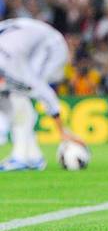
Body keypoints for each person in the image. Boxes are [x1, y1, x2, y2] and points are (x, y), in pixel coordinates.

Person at [0, 17, 85, 171]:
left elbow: (43, 91)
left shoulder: (10, 64)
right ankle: (33, 157)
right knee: (9, 97)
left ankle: (21, 157)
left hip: (52, 46)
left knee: (20, 93)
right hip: (30, 41)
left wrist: (61, 131)